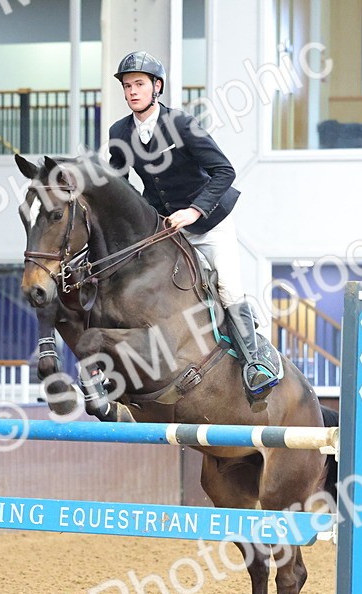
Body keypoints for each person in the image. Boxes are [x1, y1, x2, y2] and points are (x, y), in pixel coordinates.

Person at [106, 50, 280, 396]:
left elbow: (224, 171)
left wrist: (195, 211)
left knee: (228, 287)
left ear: (157, 87)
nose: (132, 92)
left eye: (139, 84)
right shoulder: (120, 131)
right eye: (127, 86)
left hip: (208, 222)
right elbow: (119, 185)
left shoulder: (182, 124)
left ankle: (255, 363)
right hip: (164, 226)